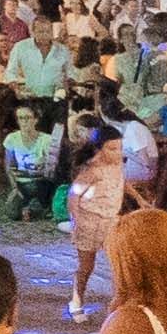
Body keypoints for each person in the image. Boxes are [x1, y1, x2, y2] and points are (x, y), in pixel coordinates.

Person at [65, 127, 127, 319]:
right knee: (86, 266)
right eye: (112, 149)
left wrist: (140, 199)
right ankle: (76, 301)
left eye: (119, 148)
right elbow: (73, 196)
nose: (118, 153)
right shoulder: (92, 170)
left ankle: (119, 302)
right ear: (99, 149)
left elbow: (122, 182)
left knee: (119, 263)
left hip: (111, 220)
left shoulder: (118, 165)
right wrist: (76, 221)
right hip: (89, 222)